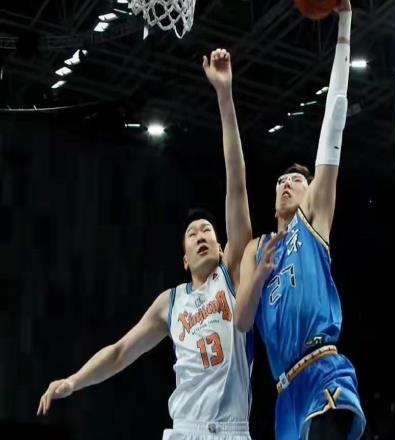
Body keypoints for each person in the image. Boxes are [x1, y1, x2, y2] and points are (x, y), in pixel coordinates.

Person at [37, 48, 254, 440]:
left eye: (208, 230)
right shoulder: (170, 303)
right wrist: (73, 381)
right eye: (193, 234)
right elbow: (121, 352)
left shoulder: (232, 274)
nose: (201, 235)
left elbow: (235, 182)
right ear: (184, 259)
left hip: (231, 430)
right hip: (184, 430)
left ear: (223, 247)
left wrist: (224, 95)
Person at [235, 1, 365, 439]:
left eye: (296, 180)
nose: (287, 183)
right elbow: (241, 320)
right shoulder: (257, 249)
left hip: (324, 369)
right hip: (285, 391)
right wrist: (259, 275)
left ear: (311, 193)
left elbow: (334, 119)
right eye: (280, 181)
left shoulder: (313, 222)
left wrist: (345, 25)